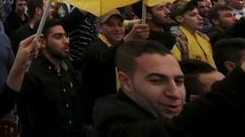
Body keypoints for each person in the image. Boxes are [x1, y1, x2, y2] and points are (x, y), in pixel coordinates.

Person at [92, 40, 245, 137]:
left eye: (179, 81)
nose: (175, 93)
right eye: (157, 81)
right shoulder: (113, 124)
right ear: (126, 82)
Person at [17, 19, 84, 137]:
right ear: (42, 42)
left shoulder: (67, 66)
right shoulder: (32, 76)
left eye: (66, 36)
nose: (66, 41)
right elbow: (29, 122)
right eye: (58, 37)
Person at [81, 11, 149, 123]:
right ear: (100, 28)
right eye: (110, 25)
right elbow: (105, 59)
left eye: (120, 24)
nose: (117, 29)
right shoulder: (94, 47)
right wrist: (129, 38)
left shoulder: (120, 46)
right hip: (99, 116)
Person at [170, 1, 216, 68]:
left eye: (198, 14)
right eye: (193, 15)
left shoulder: (204, 37)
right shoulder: (175, 39)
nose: (200, 18)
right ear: (179, 18)